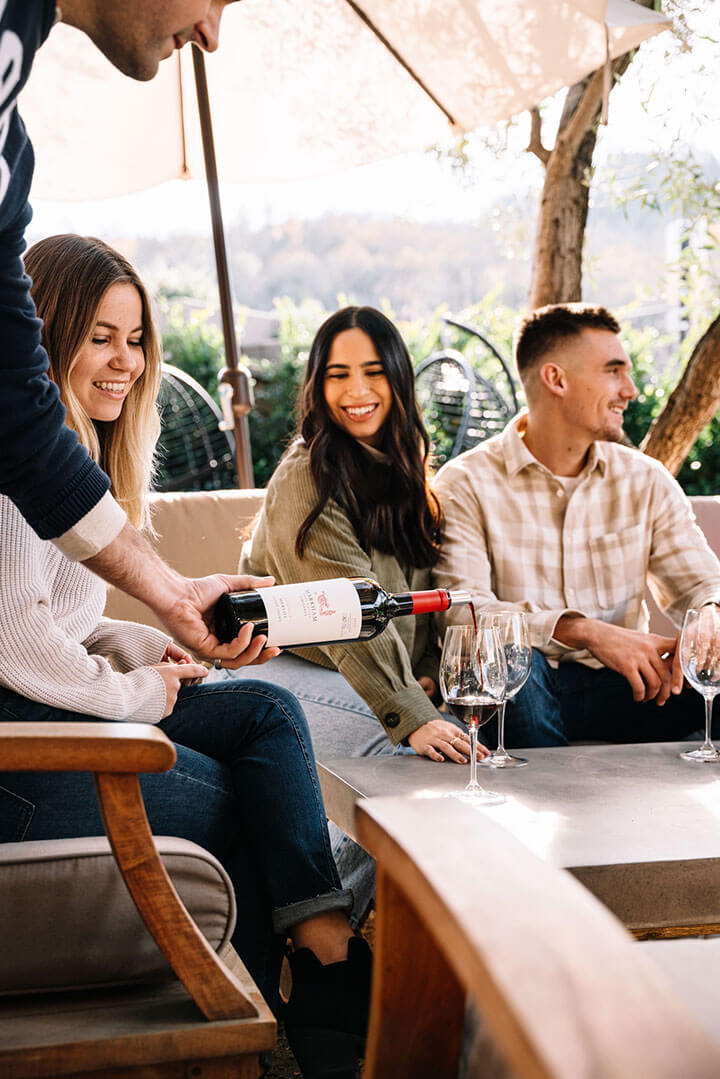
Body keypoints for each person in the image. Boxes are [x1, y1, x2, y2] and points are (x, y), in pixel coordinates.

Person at [0, 235, 371, 1079]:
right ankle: (284, 1021)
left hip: (43, 712)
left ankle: (322, 953)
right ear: (42, 334)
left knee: (265, 709)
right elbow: (17, 644)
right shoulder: (18, 464)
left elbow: (57, 623)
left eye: (136, 340)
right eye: (100, 337)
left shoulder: (78, 462)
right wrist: (139, 693)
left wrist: (148, 648)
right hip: (17, 757)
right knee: (245, 800)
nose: (125, 362)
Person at [0, 1, 256, 666]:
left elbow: (20, 424)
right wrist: (136, 686)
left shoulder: (10, 149)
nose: (212, 34)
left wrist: (160, 621)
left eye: (136, 339)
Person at [433, 302, 720, 747]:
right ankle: (547, 787)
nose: (630, 390)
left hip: (635, 688)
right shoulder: (464, 482)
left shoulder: (646, 479)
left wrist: (709, 619)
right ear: (556, 379)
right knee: (506, 661)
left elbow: (702, 585)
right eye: (613, 371)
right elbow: (463, 612)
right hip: (528, 690)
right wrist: (586, 632)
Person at [238, 305, 483, 766]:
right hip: (283, 670)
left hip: (361, 672)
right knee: (408, 753)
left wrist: (426, 674)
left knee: (461, 741)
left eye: (374, 372)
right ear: (317, 385)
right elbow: (345, 610)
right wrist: (411, 711)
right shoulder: (305, 477)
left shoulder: (402, 472)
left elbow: (421, 600)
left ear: (398, 379)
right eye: (338, 375)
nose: (356, 390)